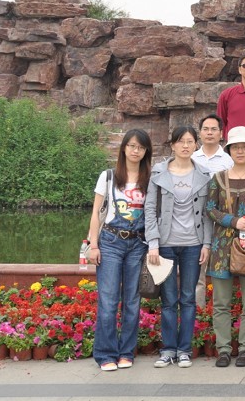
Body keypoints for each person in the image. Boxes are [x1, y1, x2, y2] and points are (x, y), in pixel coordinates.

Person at [144, 126, 213, 369]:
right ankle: (168, 350)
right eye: (180, 141)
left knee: (188, 298)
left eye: (190, 141)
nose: (185, 145)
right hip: (165, 245)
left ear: (196, 145)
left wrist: (207, 243)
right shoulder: (158, 172)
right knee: (168, 299)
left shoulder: (204, 174)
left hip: (193, 244)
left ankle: (184, 350)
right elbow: (150, 209)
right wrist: (153, 243)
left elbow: (207, 213)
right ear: (172, 145)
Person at [87, 129, 153, 372]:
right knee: (108, 300)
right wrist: (93, 245)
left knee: (132, 301)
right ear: (124, 147)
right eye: (132, 146)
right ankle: (105, 354)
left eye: (141, 147)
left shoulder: (150, 178)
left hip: (138, 243)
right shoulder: (108, 177)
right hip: (111, 241)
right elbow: (96, 213)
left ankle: (126, 352)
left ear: (146, 152)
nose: (136, 151)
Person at [205, 126, 245, 369]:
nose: (240, 151)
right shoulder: (218, 178)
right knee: (221, 303)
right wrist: (233, 221)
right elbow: (210, 209)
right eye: (236, 147)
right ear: (229, 150)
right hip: (221, 248)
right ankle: (223, 349)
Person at [192, 113, 233, 307]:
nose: (209, 133)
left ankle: (219, 313)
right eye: (205, 129)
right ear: (200, 133)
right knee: (197, 273)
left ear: (221, 133)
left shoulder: (228, 161)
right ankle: (198, 314)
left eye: (213, 129)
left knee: (220, 271)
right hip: (196, 221)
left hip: (220, 220)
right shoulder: (191, 157)